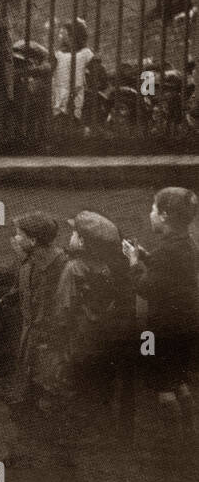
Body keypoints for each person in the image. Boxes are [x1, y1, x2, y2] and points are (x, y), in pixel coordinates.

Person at [123, 187, 199, 446]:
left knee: (163, 385)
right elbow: (167, 270)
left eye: (154, 209)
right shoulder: (185, 242)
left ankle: (173, 445)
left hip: (166, 327)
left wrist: (133, 262)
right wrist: (144, 255)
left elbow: (145, 288)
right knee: (179, 380)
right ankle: (189, 434)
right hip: (186, 324)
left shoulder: (168, 251)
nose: (151, 214)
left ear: (164, 215)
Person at [52, 210, 137, 440]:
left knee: (75, 385)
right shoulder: (109, 267)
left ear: (82, 241)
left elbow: (63, 309)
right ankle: (104, 430)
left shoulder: (73, 268)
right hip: (104, 340)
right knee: (102, 385)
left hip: (80, 339)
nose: (70, 236)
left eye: (73, 232)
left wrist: (58, 342)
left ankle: (80, 435)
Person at [0, 211, 68, 407]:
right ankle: (28, 398)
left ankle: (45, 407)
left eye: (19, 234)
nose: (15, 238)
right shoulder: (30, 260)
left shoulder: (58, 263)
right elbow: (26, 284)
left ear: (33, 239)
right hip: (32, 326)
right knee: (29, 362)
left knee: (45, 370)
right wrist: (11, 297)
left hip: (47, 330)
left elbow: (55, 300)